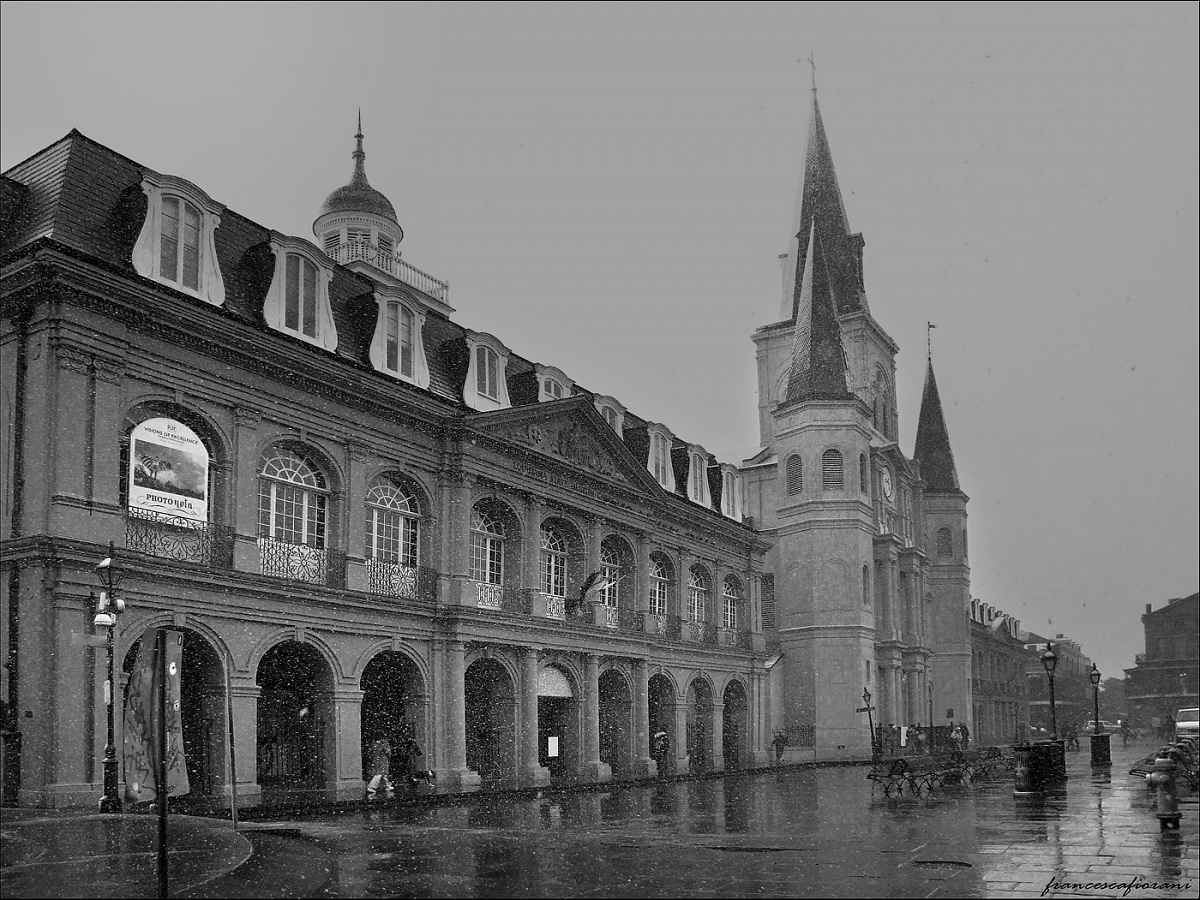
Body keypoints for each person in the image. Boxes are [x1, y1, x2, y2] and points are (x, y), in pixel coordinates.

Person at [366, 735, 395, 800]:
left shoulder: (375, 743)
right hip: (382, 760)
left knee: (383, 774)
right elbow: (388, 752)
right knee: (379, 774)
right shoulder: (383, 743)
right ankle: (371, 787)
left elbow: (373, 752)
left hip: (378, 760)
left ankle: (388, 786)